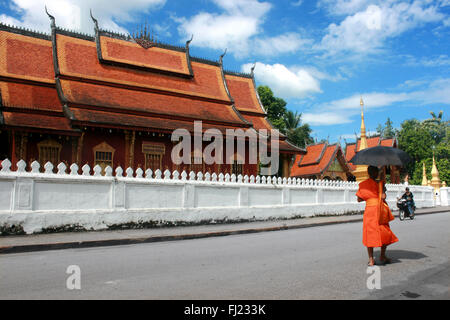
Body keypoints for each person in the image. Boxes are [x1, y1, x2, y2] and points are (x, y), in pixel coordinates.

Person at [356, 166, 399, 266]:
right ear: (376, 173)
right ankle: (382, 255)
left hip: (370, 211)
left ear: (368, 173)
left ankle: (371, 260)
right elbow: (384, 197)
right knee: (384, 232)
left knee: (369, 234)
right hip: (380, 210)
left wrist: (369, 198)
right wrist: (379, 195)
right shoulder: (381, 183)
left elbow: (359, 199)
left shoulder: (363, 184)